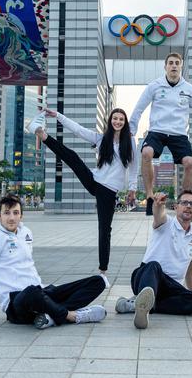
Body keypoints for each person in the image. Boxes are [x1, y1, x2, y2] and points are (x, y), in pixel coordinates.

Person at [0, 195, 107, 329]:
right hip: (16, 303)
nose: (11, 218)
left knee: (98, 281)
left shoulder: (25, 233)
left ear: (21, 215)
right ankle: (72, 316)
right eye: (6, 213)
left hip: (40, 292)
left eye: (15, 213)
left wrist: (45, 291)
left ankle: (50, 316)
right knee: (32, 293)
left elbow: (28, 266)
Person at [28, 107, 137, 287]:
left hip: (108, 191)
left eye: (121, 120)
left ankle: (103, 272)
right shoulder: (103, 139)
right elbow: (78, 129)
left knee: (104, 230)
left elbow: (134, 167)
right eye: (115, 119)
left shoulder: (130, 143)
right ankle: (42, 134)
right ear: (110, 121)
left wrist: (132, 189)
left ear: (124, 123)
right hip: (94, 180)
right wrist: (58, 115)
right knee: (72, 157)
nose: (117, 122)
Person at [129, 52, 192, 215]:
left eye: (177, 63)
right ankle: (150, 195)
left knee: (190, 163)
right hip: (157, 130)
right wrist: (131, 129)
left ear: (181, 67)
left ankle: (185, 199)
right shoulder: (154, 86)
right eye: (171, 63)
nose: (174, 66)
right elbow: (139, 108)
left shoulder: (189, 89)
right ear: (165, 67)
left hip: (178, 134)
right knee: (146, 152)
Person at [114, 191, 192, 329]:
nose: (188, 206)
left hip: (171, 287)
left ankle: (139, 305)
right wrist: (158, 205)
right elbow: (158, 214)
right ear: (175, 207)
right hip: (147, 276)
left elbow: (191, 270)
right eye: (184, 203)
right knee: (154, 265)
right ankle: (144, 302)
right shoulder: (166, 222)